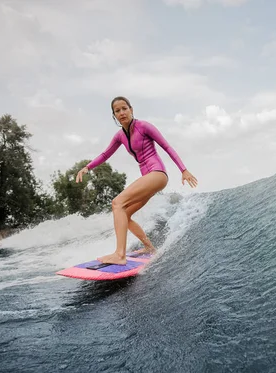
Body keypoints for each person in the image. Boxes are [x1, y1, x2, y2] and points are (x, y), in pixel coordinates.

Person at [76, 96, 198, 265]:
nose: (122, 113)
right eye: (117, 111)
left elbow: (167, 146)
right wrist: (87, 167)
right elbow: (105, 154)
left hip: (157, 174)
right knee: (124, 214)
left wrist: (183, 170)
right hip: (148, 179)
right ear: (114, 116)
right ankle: (149, 247)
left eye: (124, 108)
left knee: (117, 203)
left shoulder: (144, 127)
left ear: (131, 109)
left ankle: (119, 255)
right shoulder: (120, 136)